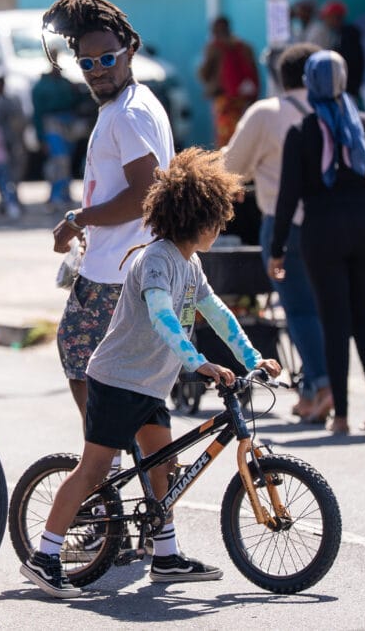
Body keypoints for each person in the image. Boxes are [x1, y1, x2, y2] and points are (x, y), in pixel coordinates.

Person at [21, 147, 282, 598]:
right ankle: (45, 557)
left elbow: (217, 312)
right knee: (94, 469)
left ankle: (166, 556)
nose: (220, 228)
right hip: (117, 380)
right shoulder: (156, 260)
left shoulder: (190, 263)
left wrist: (252, 357)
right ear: (197, 219)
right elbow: (162, 315)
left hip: (149, 386)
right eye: (217, 221)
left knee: (163, 467)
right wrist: (197, 362)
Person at [42, 0, 175, 431]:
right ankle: (153, 474)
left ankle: (105, 458)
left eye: (107, 59)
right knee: (137, 384)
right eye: (87, 63)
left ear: (130, 51)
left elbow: (144, 194)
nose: (98, 70)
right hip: (135, 264)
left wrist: (78, 219)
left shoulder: (127, 115)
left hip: (116, 272)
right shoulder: (135, 102)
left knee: (78, 355)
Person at [269, 50, 365, 435]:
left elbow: (287, 197)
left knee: (333, 322)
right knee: (364, 318)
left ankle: (342, 416)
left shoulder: (301, 132)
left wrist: (277, 248)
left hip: (321, 231)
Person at [222, 42, 333, 422]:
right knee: (328, 309)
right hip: (338, 225)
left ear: (280, 76)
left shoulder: (267, 113)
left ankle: (322, 386)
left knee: (299, 309)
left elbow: (231, 167)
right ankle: (319, 388)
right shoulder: (339, 109)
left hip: (288, 226)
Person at [31, 53, 84, 207]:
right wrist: (41, 137)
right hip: (52, 124)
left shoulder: (65, 83)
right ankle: (56, 195)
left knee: (66, 161)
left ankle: (64, 194)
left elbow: (76, 102)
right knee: (59, 160)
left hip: (69, 124)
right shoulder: (41, 87)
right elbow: (38, 113)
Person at [198, 16, 259, 147]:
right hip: (244, 100)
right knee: (243, 135)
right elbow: (254, 73)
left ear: (214, 30)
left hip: (224, 100)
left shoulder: (214, 48)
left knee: (225, 140)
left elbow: (204, 74)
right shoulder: (245, 47)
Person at [308, 0, 364, 100]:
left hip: (347, 88)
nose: (326, 20)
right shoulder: (335, 33)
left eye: (328, 17)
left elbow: (350, 63)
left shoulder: (349, 35)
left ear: (337, 17)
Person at [0, 75, 27, 187]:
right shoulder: (1, 100)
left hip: (8, 139)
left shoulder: (3, 101)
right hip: (6, 139)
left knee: (12, 167)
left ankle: (11, 190)